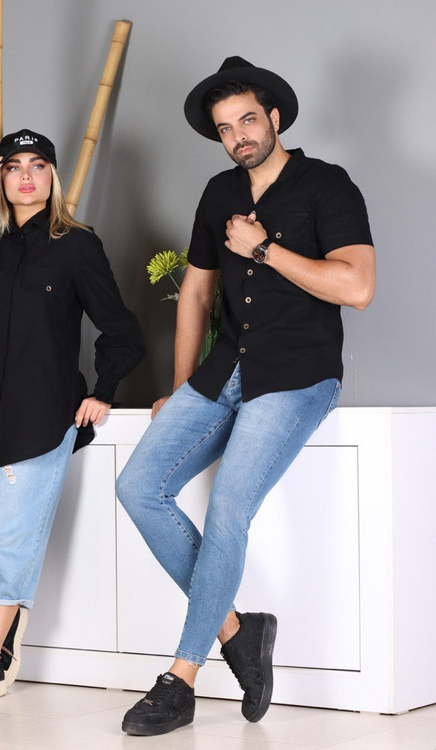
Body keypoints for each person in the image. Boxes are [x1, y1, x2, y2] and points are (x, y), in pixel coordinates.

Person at [116, 57, 375, 735]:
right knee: (138, 486)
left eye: (249, 120)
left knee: (229, 506)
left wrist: (264, 251)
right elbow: (197, 292)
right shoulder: (217, 193)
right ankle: (238, 630)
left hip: (298, 374)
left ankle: (181, 678)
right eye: (226, 128)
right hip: (222, 372)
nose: (239, 136)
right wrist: (180, 388)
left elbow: (357, 287)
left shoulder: (327, 185)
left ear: (275, 118)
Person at [0, 128, 144, 705]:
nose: (26, 176)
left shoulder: (78, 245)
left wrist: (104, 390)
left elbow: (120, 328)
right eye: (14, 166)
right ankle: (6, 627)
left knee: (15, 538)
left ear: (53, 175)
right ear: (0, 177)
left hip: (41, 413)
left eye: (38, 165)